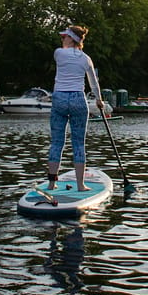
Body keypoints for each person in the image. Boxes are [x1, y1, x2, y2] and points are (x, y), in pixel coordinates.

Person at [47, 25, 102, 192]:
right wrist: (99, 100)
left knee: (57, 142)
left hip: (60, 99)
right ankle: (80, 185)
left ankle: (51, 184)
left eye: (65, 37)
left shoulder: (58, 53)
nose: (62, 39)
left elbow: (65, 53)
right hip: (78, 99)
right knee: (79, 144)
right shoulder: (86, 59)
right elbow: (93, 82)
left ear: (72, 39)